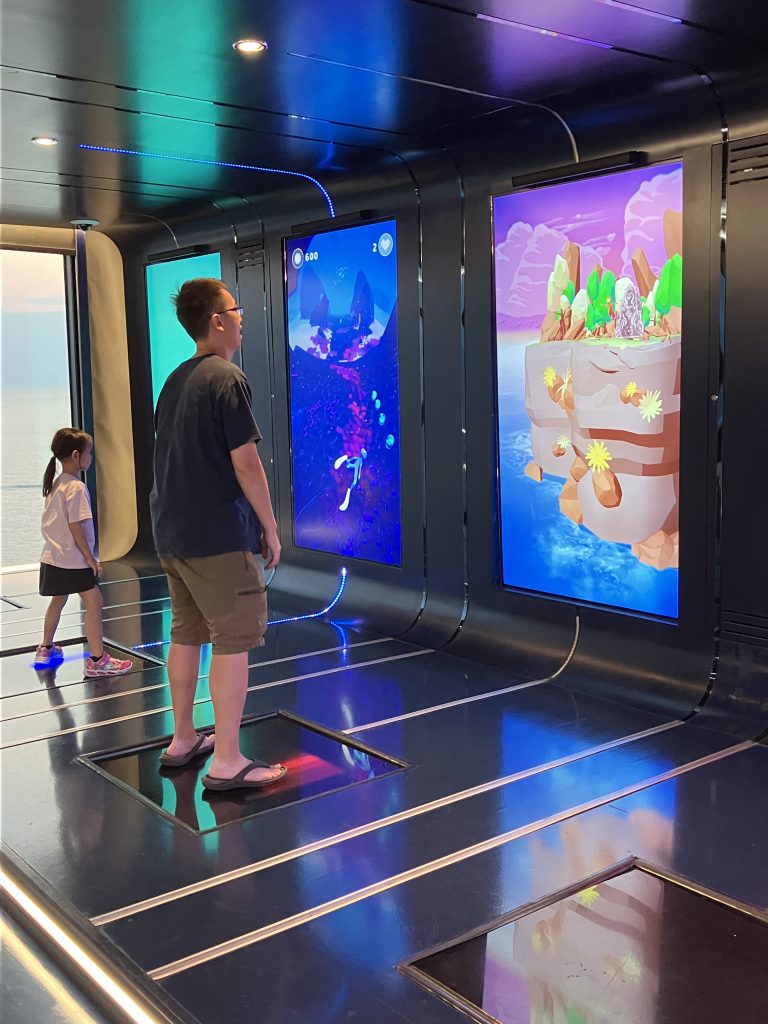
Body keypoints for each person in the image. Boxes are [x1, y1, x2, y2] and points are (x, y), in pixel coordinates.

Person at [151, 278, 286, 792]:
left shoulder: (175, 380)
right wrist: (270, 527)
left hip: (173, 533)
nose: (241, 317)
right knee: (233, 638)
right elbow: (246, 463)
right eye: (236, 308)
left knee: (186, 632)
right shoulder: (227, 378)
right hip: (217, 536)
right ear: (217, 320)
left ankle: (183, 738)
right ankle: (227, 760)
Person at [36, 428, 133, 677]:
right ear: (76, 455)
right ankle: (98, 660)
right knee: (95, 602)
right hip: (73, 560)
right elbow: (75, 526)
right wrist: (90, 559)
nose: (91, 457)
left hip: (53, 558)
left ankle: (46, 649)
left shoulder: (56, 484)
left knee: (58, 600)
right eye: (89, 452)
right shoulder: (77, 488)